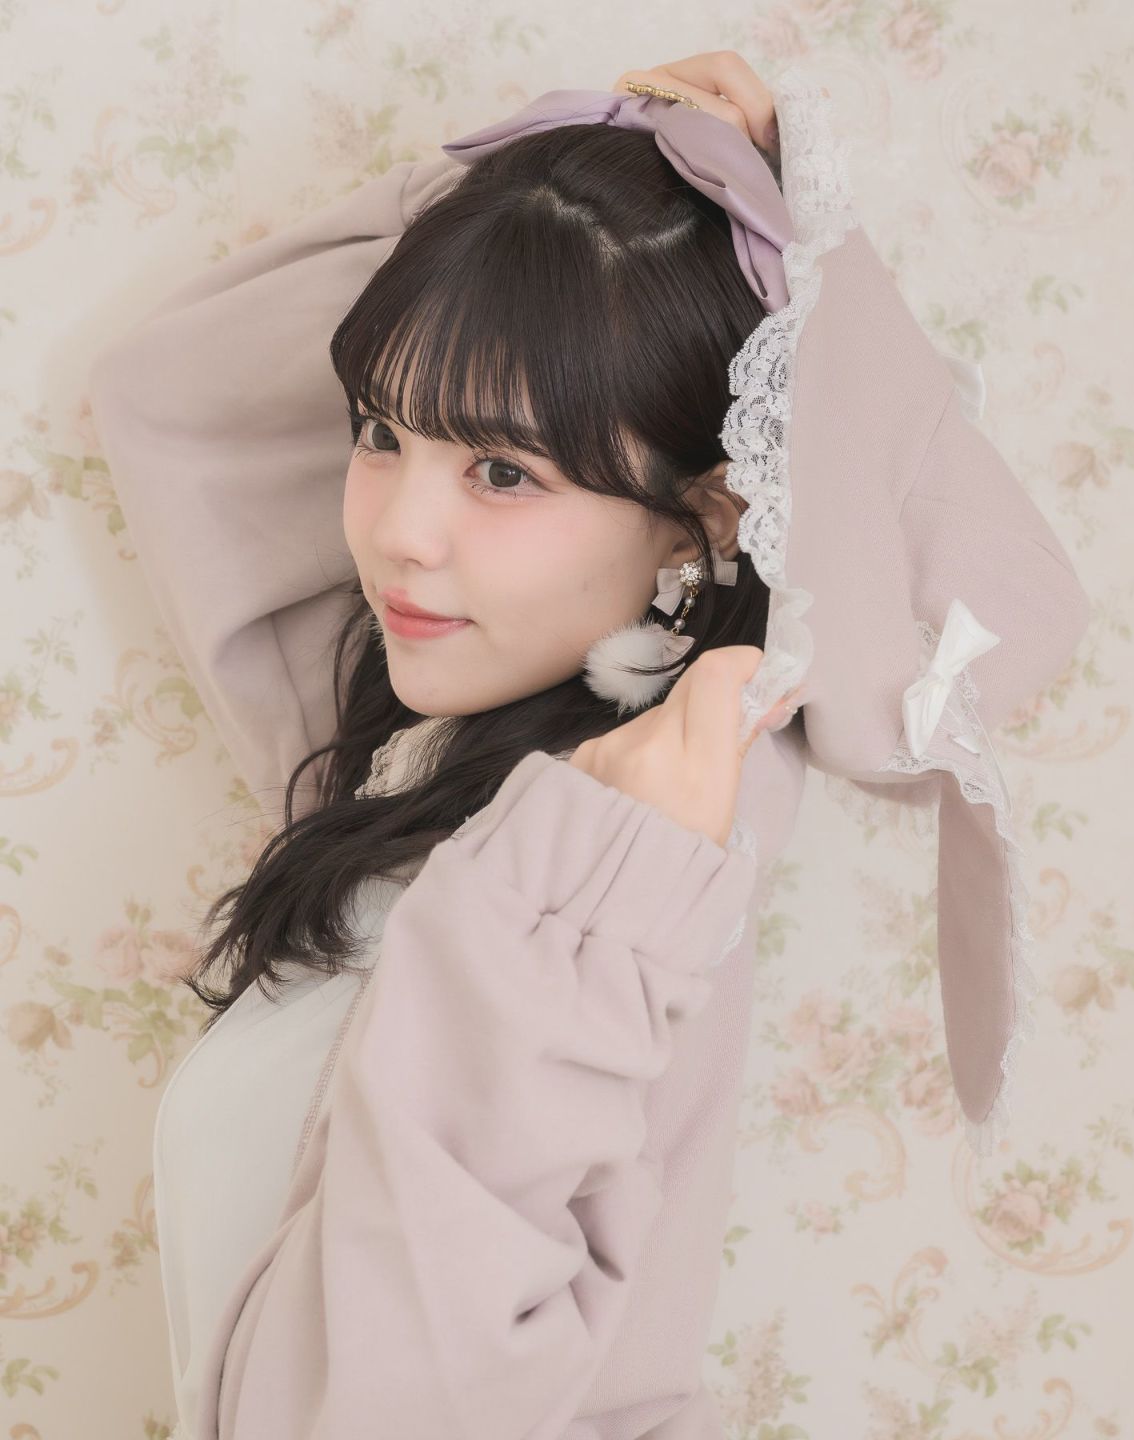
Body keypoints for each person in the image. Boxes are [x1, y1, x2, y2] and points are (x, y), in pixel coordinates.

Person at [88, 52, 814, 1440]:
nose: (397, 537)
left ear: (707, 519)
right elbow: (164, 397)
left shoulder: (641, 843)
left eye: (501, 472)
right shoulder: (411, 744)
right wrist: (555, 195)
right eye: (380, 431)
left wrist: (776, 235)